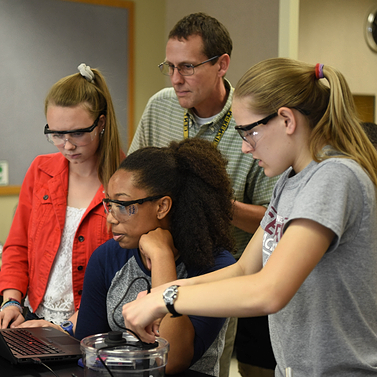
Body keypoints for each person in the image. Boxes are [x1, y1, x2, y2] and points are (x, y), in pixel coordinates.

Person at [121, 58, 377, 377]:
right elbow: (244, 269)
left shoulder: (334, 178)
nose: (244, 148)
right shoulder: (290, 180)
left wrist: (169, 299)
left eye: (249, 132)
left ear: (286, 120)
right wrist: (162, 292)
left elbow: (268, 291)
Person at [128, 12, 278, 377]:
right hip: (154, 260)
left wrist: (213, 206)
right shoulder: (159, 106)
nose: (176, 79)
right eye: (170, 66)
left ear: (222, 64)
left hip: (226, 271)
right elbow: (131, 183)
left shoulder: (250, 121)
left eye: (188, 68)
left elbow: (274, 219)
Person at [75, 138, 236, 376]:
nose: (111, 218)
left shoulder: (216, 268)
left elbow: (172, 361)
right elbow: (89, 353)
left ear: (162, 207)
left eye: (123, 204)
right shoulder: (105, 258)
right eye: (110, 203)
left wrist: (162, 257)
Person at [0, 64, 124, 333]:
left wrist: (67, 328)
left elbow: (123, 277)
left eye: (78, 133)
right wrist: (10, 301)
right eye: (56, 134)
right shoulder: (40, 170)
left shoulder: (127, 182)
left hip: (93, 329)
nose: (67, 145)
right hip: (34, 318)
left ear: (101, 123)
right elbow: (18, 246)